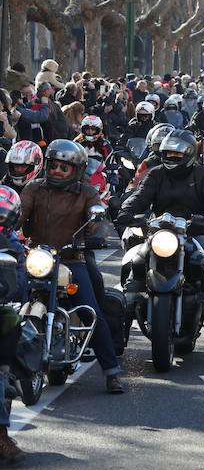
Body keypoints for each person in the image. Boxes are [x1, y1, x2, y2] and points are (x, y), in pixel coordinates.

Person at [19, 140, 125, 394]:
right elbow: (19, 212)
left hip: (72, 257)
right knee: (11, 302)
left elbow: (97, 217)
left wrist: (96, 233)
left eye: (63, 167)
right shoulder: (34, 188)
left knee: (91, 311)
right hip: (37, 257)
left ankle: (111, 372)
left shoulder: (86, 192)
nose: (56, 171)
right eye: (53, 165)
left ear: (75, 170)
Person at [117, 130, 204, 327]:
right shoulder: (156, 174)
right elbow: (140, 196)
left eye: (177, 154)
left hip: (194, 231)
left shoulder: (201, 174)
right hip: (159, 231)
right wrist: (126, 210)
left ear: (189, 154)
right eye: (168, 153)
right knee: (136, 259)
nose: (172, 157)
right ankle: (129, 301)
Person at [0, 185, 26, 463]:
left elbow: (18, 286)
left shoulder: (13, 246)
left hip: (0, 309)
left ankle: (1, 435)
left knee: (9, 320)